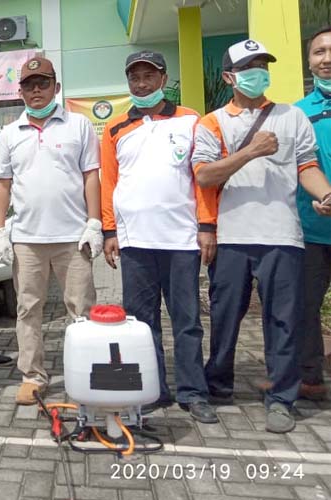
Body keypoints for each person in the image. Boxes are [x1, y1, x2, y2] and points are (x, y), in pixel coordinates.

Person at [193, 39, 331, 433]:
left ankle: (281, 398)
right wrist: (251, 151)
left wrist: (325, 193)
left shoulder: (292, 117)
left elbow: (306, 166)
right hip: (232, 235)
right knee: (224, 317)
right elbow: (204, 175)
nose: (258, 73)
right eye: (249, 67)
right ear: (229, 77)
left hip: (282, 236)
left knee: (282, 321)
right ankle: (218, 383)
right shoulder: (212, 121)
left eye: (263, 65)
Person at [101, 51, 218, 423]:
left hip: (181, 240)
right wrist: (109, 231)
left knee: (187, 320)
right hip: (134, 241)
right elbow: (109, 183)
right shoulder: (115, 128)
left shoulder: (190, 120)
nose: (141, 83)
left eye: (148, 76)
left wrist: (206, 225)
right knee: (141, 322)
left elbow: (202, 179)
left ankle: (193, 392)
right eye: (134, 77)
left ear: (163, 79)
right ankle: (153, 389)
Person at [0, 56, 101, 406]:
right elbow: (2, 185)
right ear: (19, 91)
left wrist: (94, 222)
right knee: (28, 309)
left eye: (43, 83)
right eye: (28, 85)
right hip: (27, 240)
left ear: (57, 86)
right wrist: (0, 229)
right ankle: (33, 375)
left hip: (72, 237)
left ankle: (85, 373)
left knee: (81, 310)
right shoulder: (9, 133)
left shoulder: (79, 126)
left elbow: (91, 176)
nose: (36, 90)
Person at [294, 26, 331, 401]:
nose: (327, 59)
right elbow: (300, 167)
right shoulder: (298, 113)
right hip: (312, 228)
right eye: (319, 52)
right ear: (309, 61)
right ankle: (310, 378)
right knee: (306, 307)